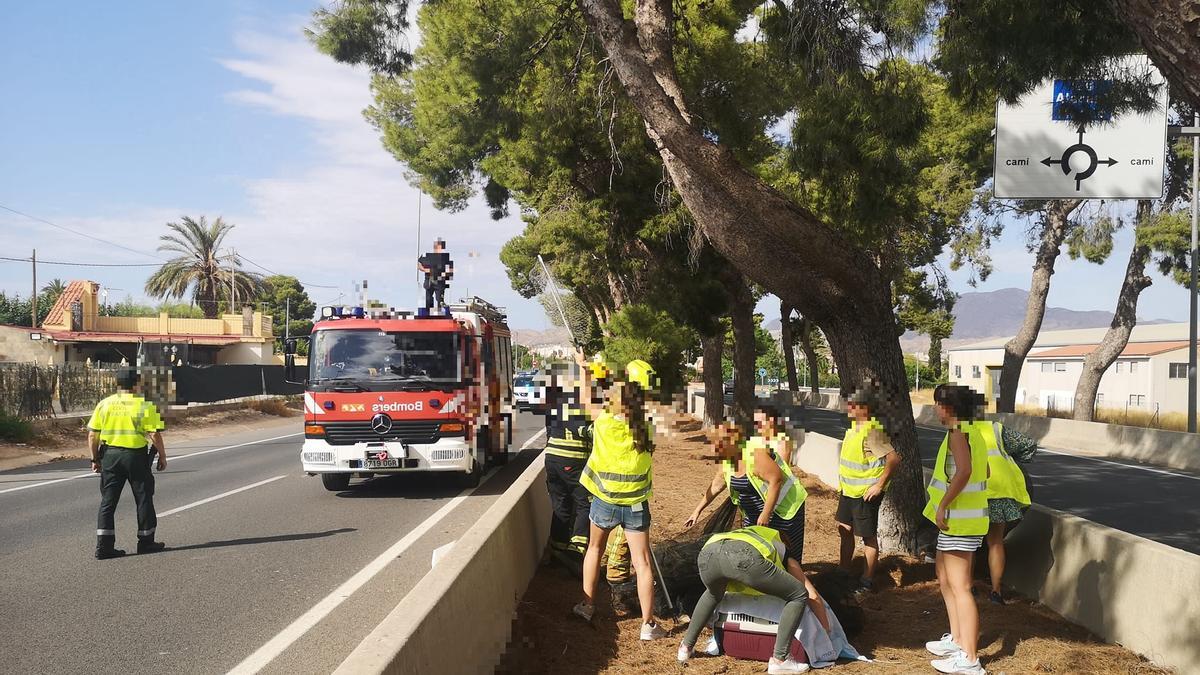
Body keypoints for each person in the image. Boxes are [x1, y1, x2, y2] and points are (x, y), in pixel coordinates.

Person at [685, 414, 831, 631]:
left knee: (787, 562)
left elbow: (776, 480)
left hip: (784, 511)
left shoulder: (754, 454)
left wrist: (766, 514)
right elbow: (716, 487)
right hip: (753, 515)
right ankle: (760, 609)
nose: (717, 447)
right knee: (754, 560)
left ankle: (800, 611)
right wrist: (697, 510)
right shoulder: (727, 461)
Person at [572, 357, 666, 641]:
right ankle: (648, 625)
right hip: (636, 504)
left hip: (604, 501)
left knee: (594, 551)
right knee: (642, 563)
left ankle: (587, 606)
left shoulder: (604, 420)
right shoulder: (647, 425)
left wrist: (584, 368)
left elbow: (586, 397)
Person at [677, 525, 810, 674]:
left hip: (708, 553)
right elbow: (803, 586)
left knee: (713, 593)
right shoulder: (779, 544)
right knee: (798, 594)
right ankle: (780, 659)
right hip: (742, 557)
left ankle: (685, 647)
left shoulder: (750, 533)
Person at [923, 384, 991, 675]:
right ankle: (958, 639)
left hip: (960, 521)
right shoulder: (972, 431)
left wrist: (944, 504)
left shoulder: (958, 433)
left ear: (948, 407)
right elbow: (983, 471)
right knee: (945, 579)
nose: (936, 409)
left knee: (961, 586)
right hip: (960, 521)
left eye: (938, 404)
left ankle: (970, 658)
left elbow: (964, 471)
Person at [88, 367, 168, 560]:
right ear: (137, 384)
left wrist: (95, 459)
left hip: (110, 457)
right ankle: (146, 542)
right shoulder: (145, 405)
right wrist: (163, 457)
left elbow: (92, 434)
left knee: (108, 502)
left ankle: (104, 547)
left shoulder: (104, 404)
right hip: (136, 458)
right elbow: (154, 434)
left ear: (117, 384)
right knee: (143, 499)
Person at [836, 384, 900, 591]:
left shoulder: (872, 431)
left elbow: (894, 459)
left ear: (864, 407)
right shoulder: (853, 429)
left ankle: (867, 580)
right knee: (844, 530)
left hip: (865, 495)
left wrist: (878, 486)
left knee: (867, 537)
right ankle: (843, 572)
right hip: (848, 492)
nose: (848, 408)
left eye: (852, 405)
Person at [543, 363, 594, 576]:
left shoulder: (558, 400)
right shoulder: (581, 401)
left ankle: (557, 549)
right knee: (584, 503)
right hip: (571, 460)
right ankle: (576, 552)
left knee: (560, 505)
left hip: (552, 459)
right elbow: (585, 431)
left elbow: (549, 428)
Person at [982, 421, 1031, 605]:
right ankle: (996, 591)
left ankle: (968, 584)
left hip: (973, 492)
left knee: (969, 541)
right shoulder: (995, 429)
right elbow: (1027, 445)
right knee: (995, 541)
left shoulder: (958, 429)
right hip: (1000, 491)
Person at [417, 238, 453, 311]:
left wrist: (445, 274)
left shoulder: (445, 257)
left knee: (440, 299)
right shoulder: (426, 255)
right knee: (428, 299)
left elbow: (450, 269)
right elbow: (419, 264)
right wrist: (424, 269)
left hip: (440, 281)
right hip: (429, 280)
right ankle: (429, 314)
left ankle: (440, 314)